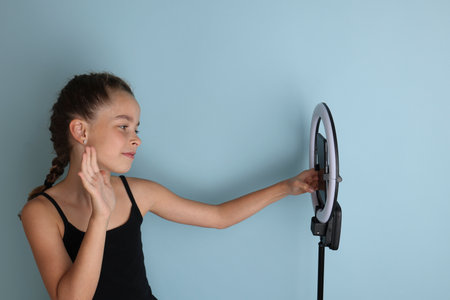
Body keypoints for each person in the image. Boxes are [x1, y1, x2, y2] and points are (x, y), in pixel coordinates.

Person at [20, 72, 319, 300]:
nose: (136, 138)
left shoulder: (140, 193)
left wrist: (287, 187)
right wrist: (101, 215)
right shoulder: (41, 213)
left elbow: (218, 217)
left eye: (136, 129)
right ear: (80, 130)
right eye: (123, 126)